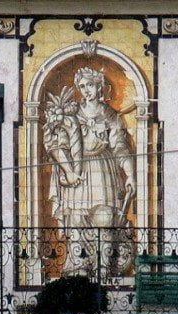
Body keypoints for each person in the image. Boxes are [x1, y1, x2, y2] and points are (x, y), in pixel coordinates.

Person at [43, 67, 135, 277]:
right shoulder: (72, 114)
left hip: (103, 170)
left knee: (104, 218)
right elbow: (59, 146)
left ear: (100, 87)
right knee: (76, 219)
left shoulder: (110, 115)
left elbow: (120, 146)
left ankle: (103, 268)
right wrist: (69, 171)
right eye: (82, 86)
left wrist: (130, 173)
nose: (86, 90)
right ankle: (79, 267)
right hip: (78, 171)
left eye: (90, 85)